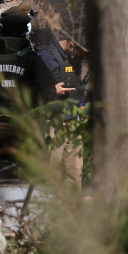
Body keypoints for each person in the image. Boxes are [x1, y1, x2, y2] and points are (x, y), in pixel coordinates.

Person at [0, 1, 56, 178]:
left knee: (2, 180)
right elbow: (50, 92)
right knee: (30, 181)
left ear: (1, 32)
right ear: (24, 33)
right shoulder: (32, 60)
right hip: (28, 132)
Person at [38, 33, 88, 190]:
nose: (80, 59)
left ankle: (73, 209)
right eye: (80, 55)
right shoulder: (46, 57)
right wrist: (52, 91)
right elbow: (35, 88)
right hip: (54, 122)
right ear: (71, 45)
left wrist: (81, 105)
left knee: (75, 169)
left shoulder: (73, 56)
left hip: (74, 121)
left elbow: (75, 86)